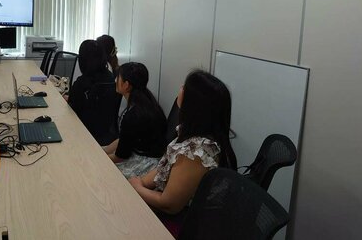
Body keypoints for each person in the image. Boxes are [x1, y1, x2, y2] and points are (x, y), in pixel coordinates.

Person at [128, 70, 237, 238]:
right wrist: (140, 182)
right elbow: (164, 167)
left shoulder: (196, 153)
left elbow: (169, 204)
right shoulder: (192, 134)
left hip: (183, 225)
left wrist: (137, 188)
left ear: (195, 105)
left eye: (185, 87)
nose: (180, 88)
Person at [104, 62, 167, 178]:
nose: (115, 81)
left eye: (118, 78)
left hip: (145, 165)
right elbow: (124, 139)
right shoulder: (147, 102)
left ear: (126, 85)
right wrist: (103, 151)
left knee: (103, 171)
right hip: (150, 158)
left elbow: (121, 156)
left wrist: (100, 158)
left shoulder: (132, 115)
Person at [67, 40, 117, 145]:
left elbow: (72, 109)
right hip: (105, 132)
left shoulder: (81, 83)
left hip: (82, 132)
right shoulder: (111, 77)